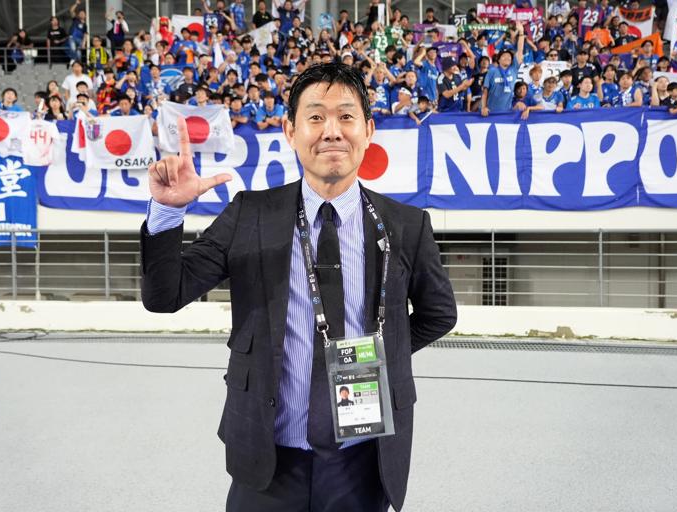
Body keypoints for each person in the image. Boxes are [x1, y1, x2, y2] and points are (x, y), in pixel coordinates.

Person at [141, 61, 456, 512]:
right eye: (316, 117)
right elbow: (165, 295)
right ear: (291, 131)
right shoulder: (250, 215)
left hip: (362, 459)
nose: (332, 131)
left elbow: (439, 313)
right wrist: (168, 212)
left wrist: (382, 353)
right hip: (267, 457)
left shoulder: (405, 225)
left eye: (346, 116)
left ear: (368, 130)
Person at [481, 23, 525, 115]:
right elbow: (485, 92)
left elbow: (520, 50)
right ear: (498, 60)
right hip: (490, 112)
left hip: (506, 113)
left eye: (509, 57)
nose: (507, 58)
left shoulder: (513, 69)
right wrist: (483, 107)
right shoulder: (492, 71)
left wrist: (521, 32)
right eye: (504, 56)